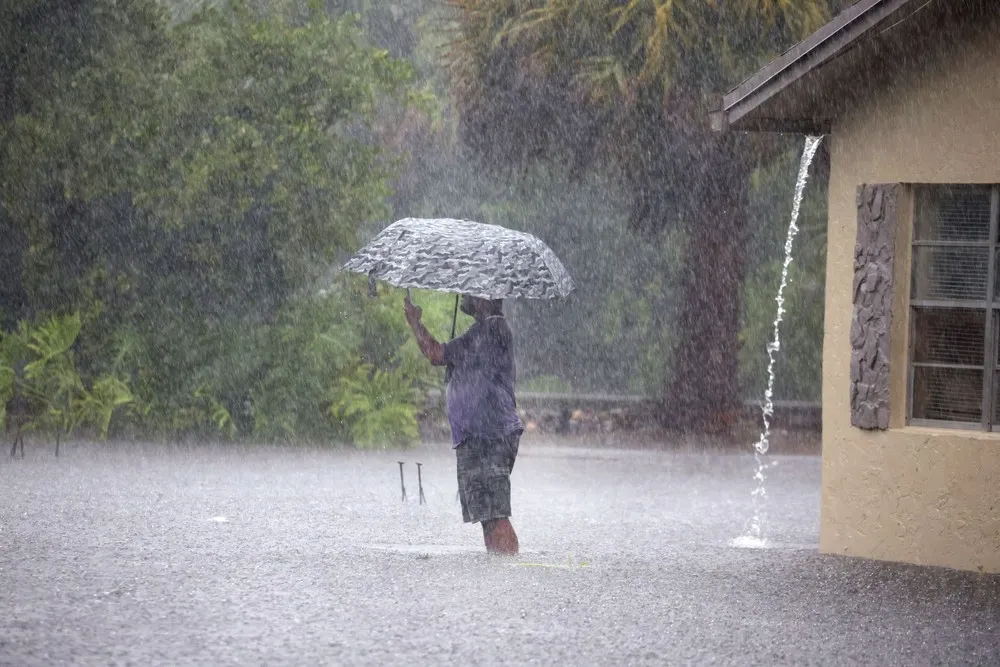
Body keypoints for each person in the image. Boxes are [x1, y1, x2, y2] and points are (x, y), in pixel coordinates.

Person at [404, 292, 524, 555]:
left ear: (485, 297)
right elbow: (440, 355)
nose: (465, 296)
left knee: (494, 512)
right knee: (487, 514)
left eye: (471, 292)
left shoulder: (491, 330)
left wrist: (415, 323)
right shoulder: (484, 330)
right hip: (478, 435)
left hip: (488, 435)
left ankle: (508, 570)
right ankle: (499, 569)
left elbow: (436, 354)